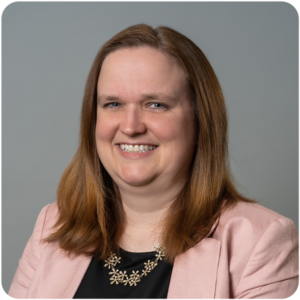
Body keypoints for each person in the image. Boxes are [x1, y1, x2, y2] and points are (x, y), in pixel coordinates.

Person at [7, 24, 300, 300]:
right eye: (113, 104)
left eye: (156, 105)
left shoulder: (260, 241)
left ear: (200, 123)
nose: (131, 126)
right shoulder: (52, 225)